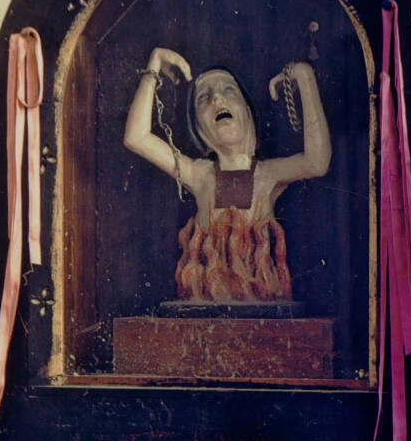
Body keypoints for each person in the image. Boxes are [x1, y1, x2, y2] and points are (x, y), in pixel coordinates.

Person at [124, 47, 331, 303]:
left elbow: (317, 163)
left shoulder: (268, 174)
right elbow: (136, 138)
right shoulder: (199, 173)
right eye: (204, 97)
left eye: (228, 90)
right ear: (199, 128)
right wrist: (154, 64)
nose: (217, 99)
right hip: (205, 298)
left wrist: (305, 77)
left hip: (262, 299)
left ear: (247, 111)